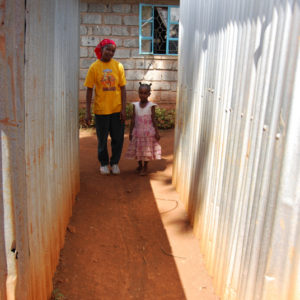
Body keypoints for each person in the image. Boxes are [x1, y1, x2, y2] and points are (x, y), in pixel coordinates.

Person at [84, 39, 126, 175]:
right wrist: (87, 112)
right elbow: (89, 90)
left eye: (113, 51)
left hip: (116, 110)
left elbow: (123, 89)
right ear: (101, 49)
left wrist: (124, 109)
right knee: (102, 139)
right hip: (101, 111)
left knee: (118, 139)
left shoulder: (119, 66)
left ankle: (114, 163)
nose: (110, 52)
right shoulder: (94, 67)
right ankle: (103, 163)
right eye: (108, 49)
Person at [125, 82, 161, 175]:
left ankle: (145, 166)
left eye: (145, 93)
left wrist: (156, 132)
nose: (143, 95)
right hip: (137, 133)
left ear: (149, 94)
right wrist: (130, 132)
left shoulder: (151, 106)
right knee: (138, 150)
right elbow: (133, 119)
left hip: (148, 133)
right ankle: (140, 165)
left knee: (146, 151)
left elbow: (153, 119)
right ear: (138, 93)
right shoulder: (135, 105)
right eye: (141, 93)